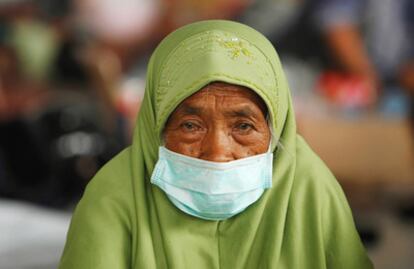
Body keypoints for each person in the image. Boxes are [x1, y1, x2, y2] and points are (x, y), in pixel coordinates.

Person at [58, 20, 372, 268]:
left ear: (276, 128)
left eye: (244, 126)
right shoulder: (114, 195)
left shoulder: (308, 187)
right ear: (156, 127)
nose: (218, 154)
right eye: (191, 125)